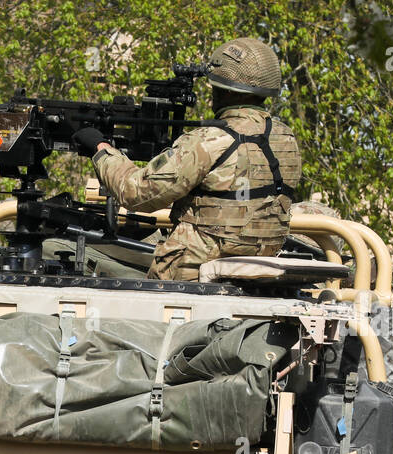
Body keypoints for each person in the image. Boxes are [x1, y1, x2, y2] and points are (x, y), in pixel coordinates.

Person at [73, 37, 302, 281]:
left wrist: (100, 148)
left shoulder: (208, 140)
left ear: (222, 90)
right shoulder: (286, 139)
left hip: (191, 276)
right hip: (259, 268)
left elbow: (135, 192)